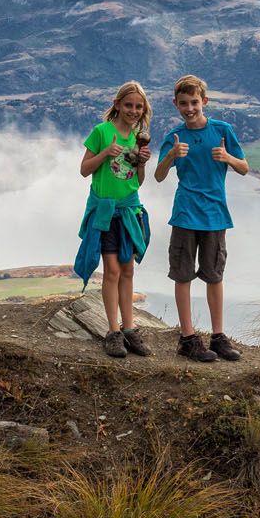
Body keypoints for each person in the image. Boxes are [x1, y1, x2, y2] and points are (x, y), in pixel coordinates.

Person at [154, 74, 248, 362]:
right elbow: (158, 176)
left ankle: (218, 337)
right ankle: (188, 339)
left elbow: (244, 167)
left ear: (204, 101)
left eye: (194, 102)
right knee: (183, 276)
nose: (189, 108)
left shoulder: (222, 130)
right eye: (183, 103)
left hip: (215, 215)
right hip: (185, 215)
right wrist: (171, 156)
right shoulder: (174, 137)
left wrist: (227, 158)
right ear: (176, 104)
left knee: (214, 276)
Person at [73, 81, 153, 358]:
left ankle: (130, 330)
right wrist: (106, 153)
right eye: (128, 105)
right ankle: (113, 331)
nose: (133, 110)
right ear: (117, 104)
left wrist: (142, 163)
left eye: (138, 107)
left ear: (143, 111)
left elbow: (138, 182)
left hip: (130, 210)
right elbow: (84, 170)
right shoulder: (102, 132)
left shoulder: (139, 138)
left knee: (128, 270)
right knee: (112, 271)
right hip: (106, 212)